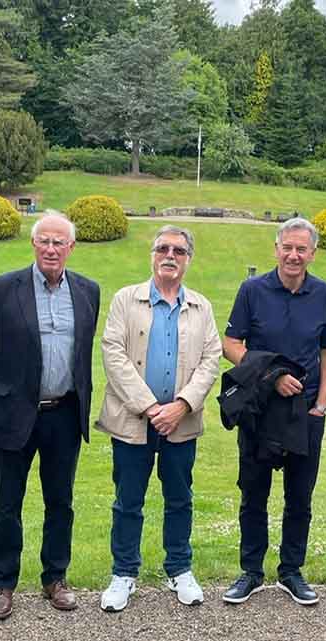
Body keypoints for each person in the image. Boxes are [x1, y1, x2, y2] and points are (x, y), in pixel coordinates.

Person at [0, 211, 100, 618]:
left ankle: (55, 578)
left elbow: (82, 351)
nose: (51, 248)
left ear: (71, 248)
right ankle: (3, 583)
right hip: (14, 413)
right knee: (7, 501)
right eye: (44, 241)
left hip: (64, 412)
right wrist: (7, 388)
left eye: (59, 242)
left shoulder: (87, 291)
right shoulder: (3, 289)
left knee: (60, 501)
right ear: (33, 244)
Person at [95, 226, 223, 612]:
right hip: (134, 420)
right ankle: (124, 573)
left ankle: (180, 569)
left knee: (180, 498)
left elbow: (211, 359)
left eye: (179, 251)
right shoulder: (125, 300)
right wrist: (151, 408)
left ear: (188, 259)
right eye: (163, 248)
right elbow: (112, 354)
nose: (171, 255)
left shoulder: (201, 306)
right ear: (152, 255)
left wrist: (181, 405)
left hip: (180, 423)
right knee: (128, 500)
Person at [221, 217, 326, 606]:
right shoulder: (252, 290)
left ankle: (291, 570)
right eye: (287, 247)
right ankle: (251, 571)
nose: (293, 255)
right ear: (276, 249)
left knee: (299, 497)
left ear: (312, 253)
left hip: (304, 413)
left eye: (301, 249)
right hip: (259, 409)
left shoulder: (324, 293)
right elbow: (231, 344)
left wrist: (321, 404)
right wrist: (270, 377)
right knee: (253, 494)